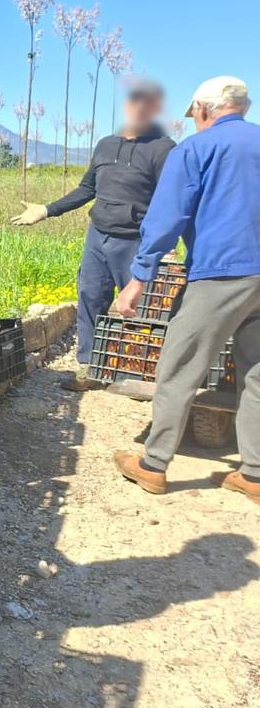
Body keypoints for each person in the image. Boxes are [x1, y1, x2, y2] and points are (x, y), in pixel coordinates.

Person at [112, 77, 260, 502]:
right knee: (256, 372)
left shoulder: (197, 149)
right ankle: (253, 473)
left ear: (203, 109)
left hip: (220, 274)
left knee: (178, 369)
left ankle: (153, 465)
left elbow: (166, 218)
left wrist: (139, 279)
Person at [11, 80, 175, 390]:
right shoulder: (105, 144)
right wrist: (47, 210)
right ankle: (88, 368)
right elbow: (88, 188)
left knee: (140, 308)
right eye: (135, 102)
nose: (140, 109)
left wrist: (162, 246)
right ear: (128, 106)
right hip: (98, 237)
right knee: (90, 298)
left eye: (148, 104)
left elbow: (169, 200)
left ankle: (139, 373)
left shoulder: (163, 148)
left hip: (136, 241)